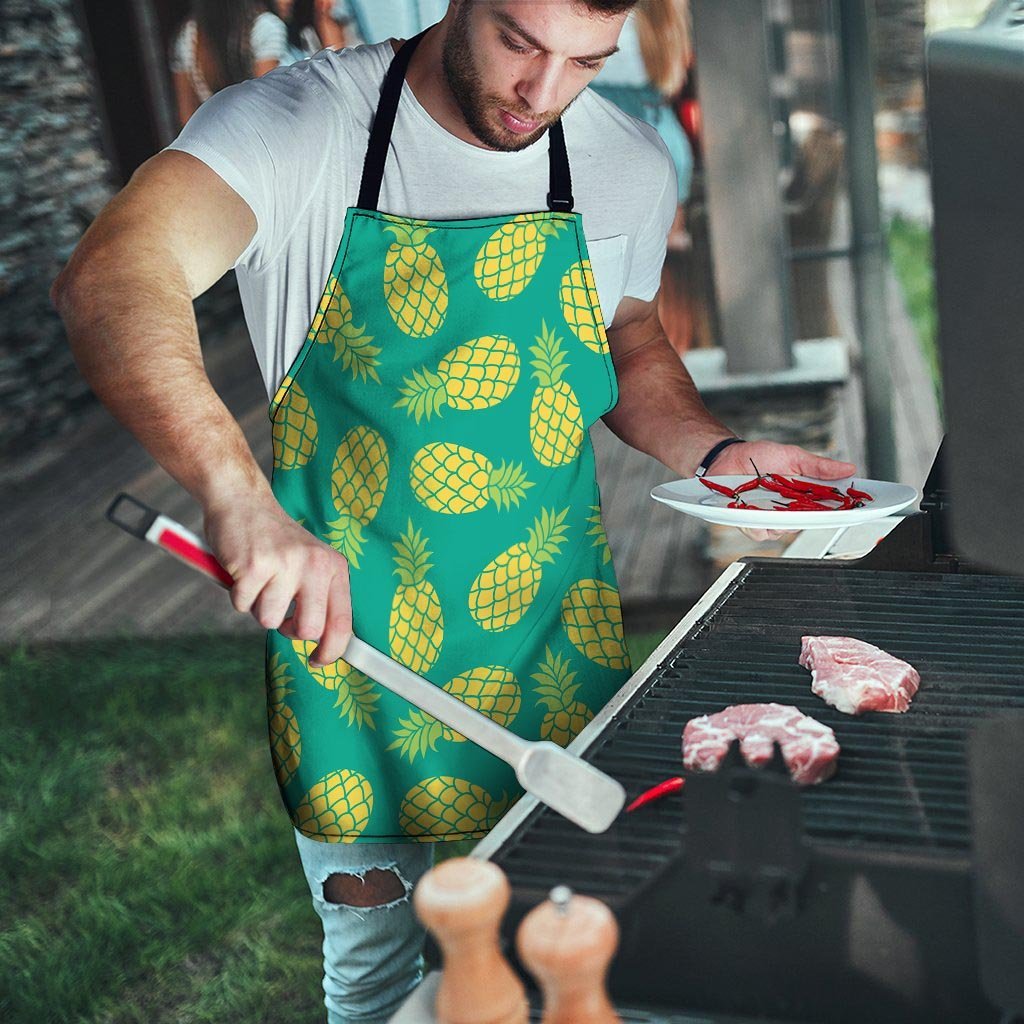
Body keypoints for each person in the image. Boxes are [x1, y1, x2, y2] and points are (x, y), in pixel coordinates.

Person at [53, 2, 856, 1019]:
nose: (543, 93)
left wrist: (717, 449)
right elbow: (112, 275)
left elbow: (630, 333)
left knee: (576, 952)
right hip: (349, 656)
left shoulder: (624, 160)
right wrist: (238, 498)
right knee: (380, 978)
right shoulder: (298, 126)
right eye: (520, 42)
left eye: (585, 62)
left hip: (549, 637)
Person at [170, 0, 289, 126]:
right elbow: (266, 105)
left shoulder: (187, 36)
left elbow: (186, 118)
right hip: (264, 136)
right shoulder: (265, 27)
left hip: (215, 138)